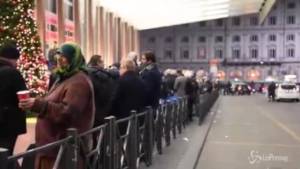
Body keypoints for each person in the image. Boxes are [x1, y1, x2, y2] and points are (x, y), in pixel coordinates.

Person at [19, 42, 95, 169]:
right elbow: (54, 101)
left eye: (63, 57)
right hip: (53, 149)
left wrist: (39, 105)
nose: (59, 60)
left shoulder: (79, 82)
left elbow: (67, 113)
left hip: (63, 151)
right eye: (58, 56)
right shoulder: (65, 78)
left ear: (73, 59)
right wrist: (35, 103)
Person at [0, 43, 27, 157]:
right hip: (8, 121)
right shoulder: (12, 73)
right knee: (6, 153)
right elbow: (23, 95)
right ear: (13, 59)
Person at [110, 59, 147, 135]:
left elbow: (115, 99)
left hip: (123, 117)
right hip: (138, 115)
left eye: (120, 68)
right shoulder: (141, 81)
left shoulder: (121, 81)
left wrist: (109, 112)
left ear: (125, 67)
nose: (119, 70)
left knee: (123, 141)